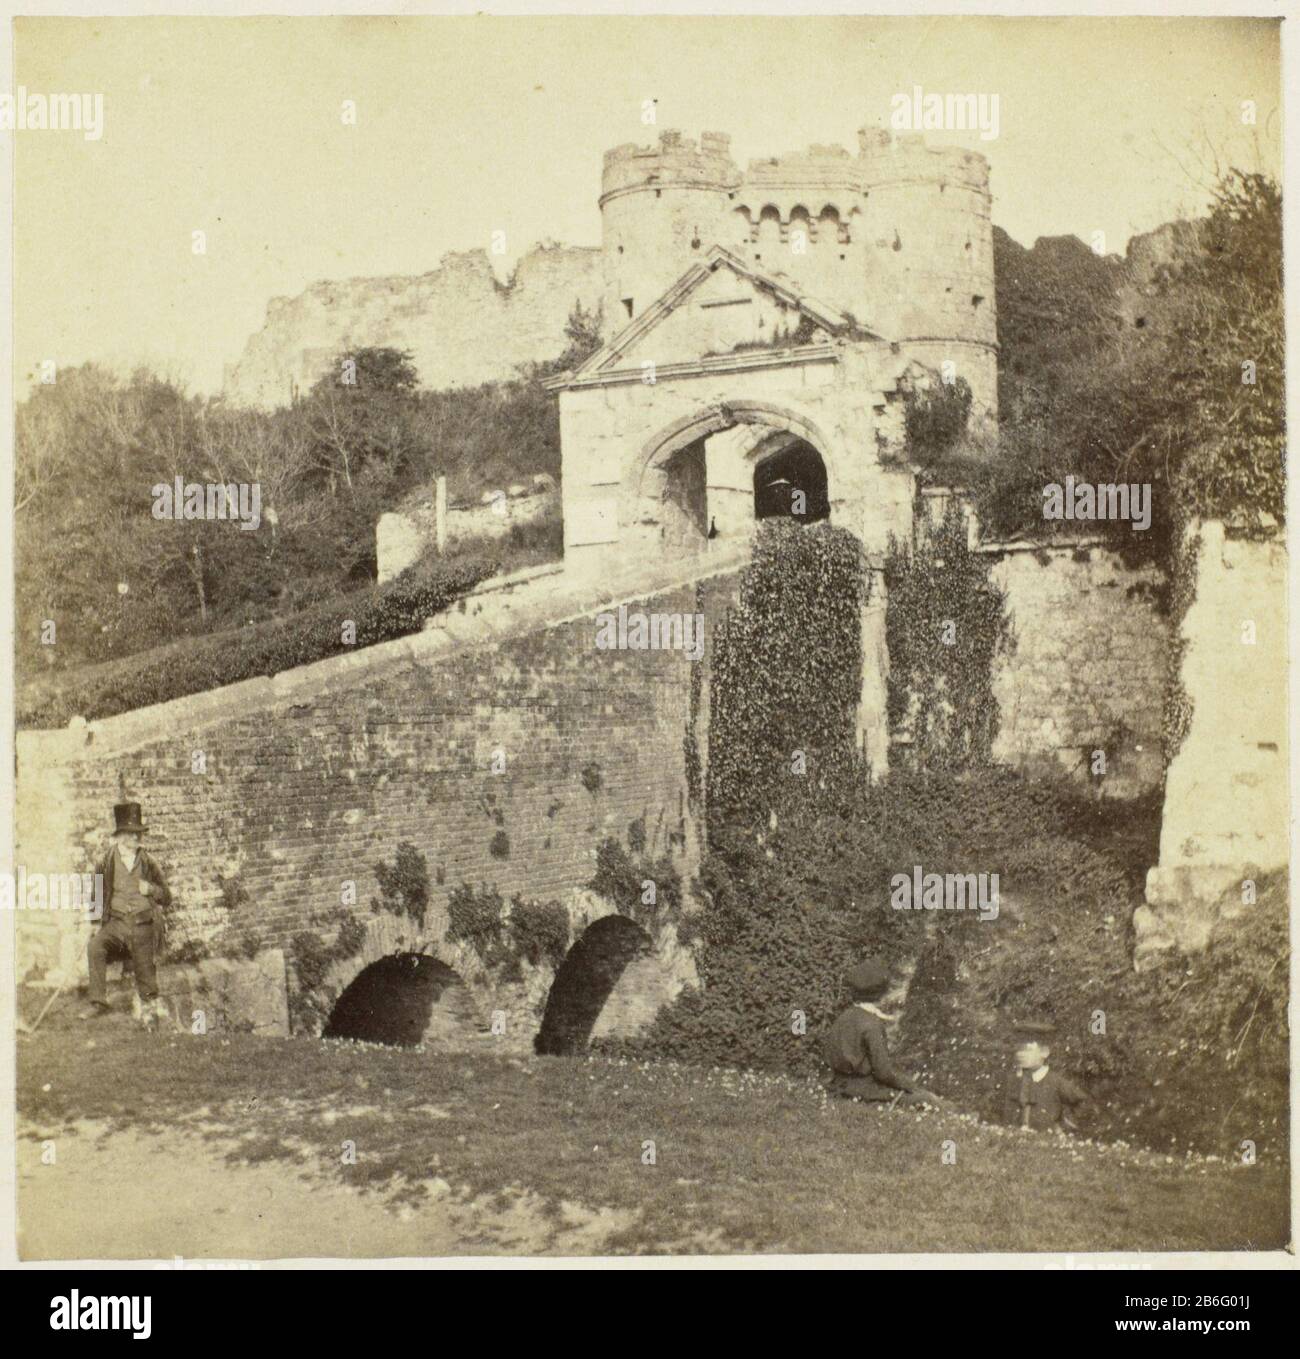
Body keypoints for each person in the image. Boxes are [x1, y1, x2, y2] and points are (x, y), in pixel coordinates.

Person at [82, 802, 172, 1026]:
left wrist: (150, 889)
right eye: (132, 835)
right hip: (117, 923)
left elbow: (166, 896)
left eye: (138, 835)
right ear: (120, 836)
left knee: (145, 969)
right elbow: (97, 891)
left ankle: (150, 1009)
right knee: (95, 947)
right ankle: (98, 1002)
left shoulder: (148, 862)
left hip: (143, 923)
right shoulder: (106, 861)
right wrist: (95, 922)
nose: (137, 839)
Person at [822, 958, 946, 1107]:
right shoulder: (872, 1024)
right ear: (881, 995)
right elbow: (883, 1073)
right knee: (928, 1099)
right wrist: (909, 1085)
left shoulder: (844, 1016)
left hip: (837, 1084)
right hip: (863, 1090)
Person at [1005, 1021, 1089, 1132]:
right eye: (1019, 1049)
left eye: (1028, 1050)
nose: (1021, 1054)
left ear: (1044, 1052)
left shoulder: (1055, 1082)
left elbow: (1085, 1103)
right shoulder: (1012, 1080)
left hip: (1046, 1143)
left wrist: (1064, 1126)